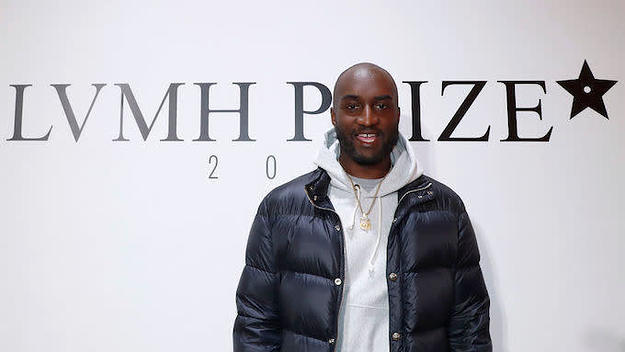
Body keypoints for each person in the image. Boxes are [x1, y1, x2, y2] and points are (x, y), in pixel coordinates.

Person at [233, 62, 492, 351]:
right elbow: (256, 324)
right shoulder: (282, 209)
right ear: (334, 116)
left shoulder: (444, 209)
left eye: (381, 106)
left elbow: (470, 325)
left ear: (396, 115)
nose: (368, 119)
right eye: (353, 107)